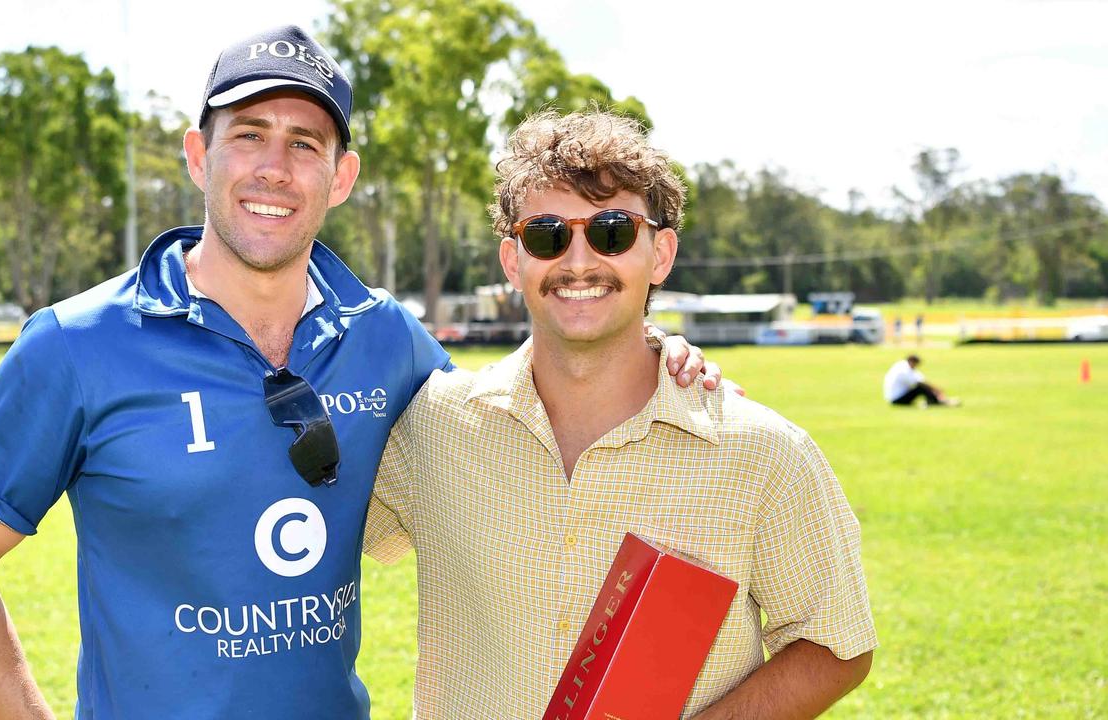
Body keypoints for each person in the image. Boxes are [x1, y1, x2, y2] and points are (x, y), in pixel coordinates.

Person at [0, 27, 714, 719]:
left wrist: (649, 352)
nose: (274, 167)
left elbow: (514, 422)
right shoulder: (76, 345)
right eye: (248, 134)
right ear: (198, 155)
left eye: (304, 144)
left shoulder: (384, 334)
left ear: (341, 175)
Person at [365, 110, 877, 719]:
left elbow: (835, 644)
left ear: (660, 253)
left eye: (612, 231)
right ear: (512, 262)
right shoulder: (432, 426)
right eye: (547, 235)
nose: (579, 262)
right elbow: (320, 534)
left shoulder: (764, 452)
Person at [884, 354, 959, 407]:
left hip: (895, 397)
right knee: (920, 388)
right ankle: (936, 402)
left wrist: (935, 391)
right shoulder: (903, 370)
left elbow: (921, 379)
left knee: (921, 387)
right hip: (896, 399)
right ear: (912, 361)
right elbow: (920, 383)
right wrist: (937, 390)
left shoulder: (902, 365)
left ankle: (937, 400)